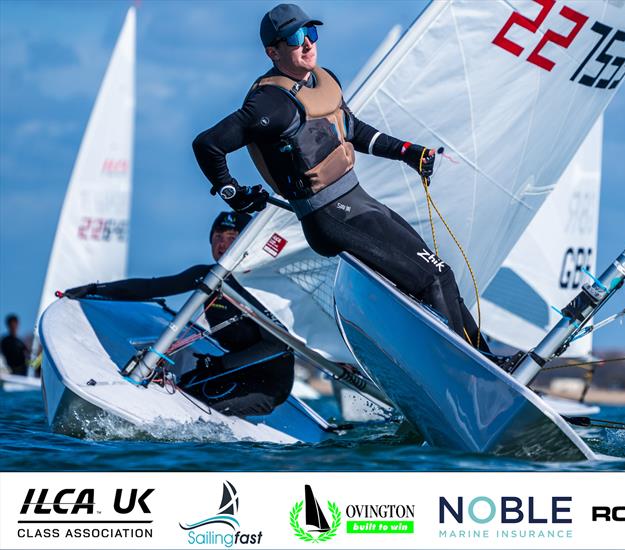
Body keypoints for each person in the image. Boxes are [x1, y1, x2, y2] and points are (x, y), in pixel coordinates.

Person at [192, 3, 491, 353]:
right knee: (431, 279)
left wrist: (407, 152)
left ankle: (486, 360)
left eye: (311, 33)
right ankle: (459, 365)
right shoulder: (269, 103)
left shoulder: (323, 81)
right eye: (295, 38)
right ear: (273, 52)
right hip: (330, 216)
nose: (308, 43)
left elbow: (353, 130)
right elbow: (208, 144)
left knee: (442, 275)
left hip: (358, 200)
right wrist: (233, 192)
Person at [64, 212, 294, 416]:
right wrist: (96, 289)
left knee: (200, 404)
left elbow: (277, 346)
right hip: (231, 372)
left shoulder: (259, 288)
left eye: (232, 237)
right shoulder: (208, 276)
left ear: (247, 243)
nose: (223, 244)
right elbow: (152, 287)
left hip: (267, 383)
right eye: (218, 236)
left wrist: (221, 363)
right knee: (183, 390)